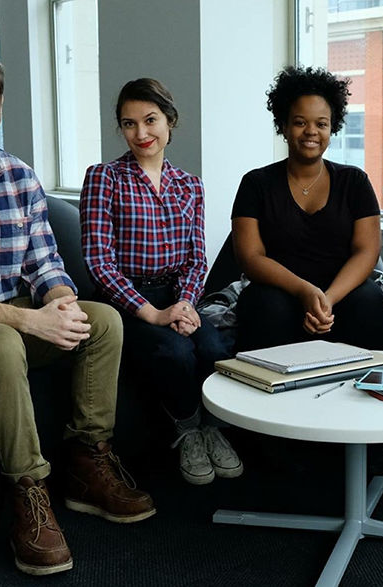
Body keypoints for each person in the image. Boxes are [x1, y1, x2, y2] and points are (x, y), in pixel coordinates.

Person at [0, 43, 155, 576]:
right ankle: (29, 494)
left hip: (10, 314)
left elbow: (45, 261)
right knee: (2, 339)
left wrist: (61, 303)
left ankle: (88, 463)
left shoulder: (21, 176)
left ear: (1, 101)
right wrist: (30, 320)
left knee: (103, 322)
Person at [80, 78, 242, 487]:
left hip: (177, 296)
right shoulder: (105, 178)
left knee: (213, 346)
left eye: (150, 120)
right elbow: (99, 262)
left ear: (170, 122)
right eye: (129, 123)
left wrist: (186, 304)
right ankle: (188, 429)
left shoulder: (189, 185)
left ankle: (213, 429)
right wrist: (152, 313)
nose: (141, 133)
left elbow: (195, 258)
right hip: (125, 301)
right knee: (174, 353)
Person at [231, 65, 383, 352]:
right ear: (283, 125)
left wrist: (327, 299)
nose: (311, 132)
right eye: (299, 122)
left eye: (321, 123)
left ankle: (374, 393)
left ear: (333, 127)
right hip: (278, 291)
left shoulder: (354, 181)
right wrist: (303, 290)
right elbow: (250, 257)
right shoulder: (255, 183)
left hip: (340, 292)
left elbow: (366, 251)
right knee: (268, 306)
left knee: (368, 300)